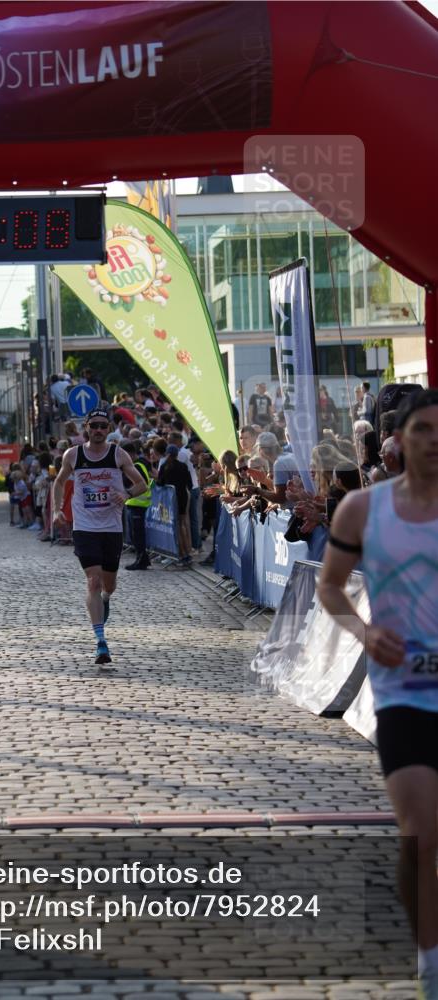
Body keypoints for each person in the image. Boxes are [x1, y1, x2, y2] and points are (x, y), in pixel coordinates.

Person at [317, 389, 438, 1000]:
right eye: (423, 430)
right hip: (407, 694)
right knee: (420, 832)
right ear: (399, 441)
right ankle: (430, 961)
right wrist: (365, 631)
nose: (434, 440)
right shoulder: (362, 511)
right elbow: (331, 588)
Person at [52, 408, 147, 665]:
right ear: (86, 427)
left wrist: (126, 495)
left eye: (103, 426)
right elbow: (59, 482)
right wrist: (57, 510)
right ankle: (101, 643)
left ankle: (105, 600)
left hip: (111, 528)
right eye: (94, 425)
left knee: (109, 585)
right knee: (92, 581)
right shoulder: (73, 455)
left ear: (108, 428)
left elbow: (142, 484)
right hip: (84, 527)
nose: (98, 430)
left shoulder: (118, 454)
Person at [157, 444, 193, 568]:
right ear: (177, 454)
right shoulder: (183, 466)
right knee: (182, 525)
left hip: (170, 500)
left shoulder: (164, 466)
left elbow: (159, 483)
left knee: (175, 527)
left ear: (167, 454)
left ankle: (181, 554)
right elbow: (190, 484)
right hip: (182, 498)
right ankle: (186, 553)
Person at [121, 440, 153, 571]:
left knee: (138, 536)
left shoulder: (138, 466)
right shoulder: (135, 465)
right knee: (135, 536)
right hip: (132, 504)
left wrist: (129, 493)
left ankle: (142, 560)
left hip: (138, 504)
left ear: (130, 454)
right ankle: (142, 559)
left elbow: (143, 484)